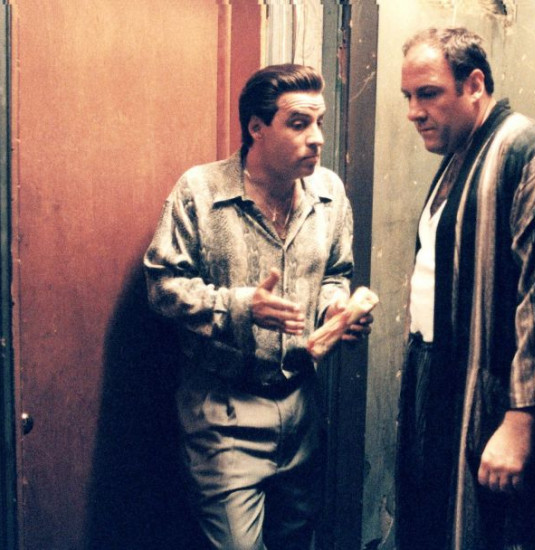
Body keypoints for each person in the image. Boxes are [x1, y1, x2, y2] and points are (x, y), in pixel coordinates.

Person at [143, 64, 372, 550]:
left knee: (295, 540)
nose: (317, 138)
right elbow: (162, 285)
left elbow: (336, 272)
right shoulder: (200, 191)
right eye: (299, 123)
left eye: (319, 122)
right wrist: (239, 306)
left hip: (301, 406)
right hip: (224, 411)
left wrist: (334, 309)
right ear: (256, 127)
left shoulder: (329, 194)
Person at [396, 27, 535, 549]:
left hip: (498, 398)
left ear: (475, 84)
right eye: (408, 97)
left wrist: (520, 421)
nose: (414, 112)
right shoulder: (462, 155)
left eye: (429, 93)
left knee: (496, 532)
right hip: (441, 377)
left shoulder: (532, 158)